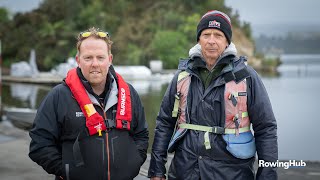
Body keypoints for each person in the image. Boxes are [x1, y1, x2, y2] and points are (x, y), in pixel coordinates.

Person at [148, 10, 278, 180]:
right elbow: (164, 123)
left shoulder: (247, 76)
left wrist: (267, 174)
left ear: (227, 41)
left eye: (218, 35)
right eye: (206, 34)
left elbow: (266, 128)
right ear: (199, 40)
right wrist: (156, 169)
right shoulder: (182, 76)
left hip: (233, 174)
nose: (211, 41)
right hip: (184, 171)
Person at [29, 27, 149, 180]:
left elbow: (141, 134)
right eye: (88, 58)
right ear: (78, 60)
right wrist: (66, 170)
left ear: (110, 59)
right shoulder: (59, 95)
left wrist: (133, 163)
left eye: (100, 57)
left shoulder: (129, 93)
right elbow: (39, 143)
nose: (95, 64)